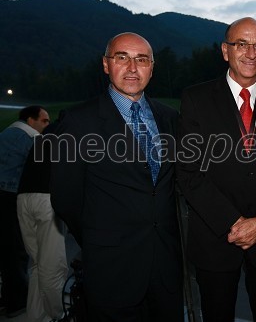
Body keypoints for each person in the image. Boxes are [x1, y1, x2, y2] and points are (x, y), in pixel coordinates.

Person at [50, 32, 183, 321]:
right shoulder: (78, 121)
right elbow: (65, 198)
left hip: (165, 268)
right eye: (122, 58)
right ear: (106, 64)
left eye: (141, 60)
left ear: (152, 67)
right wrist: (102, 241)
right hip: (112, 268)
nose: (133, 68)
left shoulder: (169, 118)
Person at [176, 17, 256, 322]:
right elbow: (189, 173)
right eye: (241, 44)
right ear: (225, 51)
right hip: (215, 237)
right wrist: (235, 222)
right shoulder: (196, 98)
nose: (251, 53)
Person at [17, 113, 68, 322]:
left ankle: (36, 316)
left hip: (23, 198)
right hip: (46, 200)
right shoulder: (68, 135)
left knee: (38, 263)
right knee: (53, 266)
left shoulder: (45, 135)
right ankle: (59, 315)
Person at [0, 105, 50, 318]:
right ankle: (17, 301)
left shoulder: (6, 133)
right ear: (31, 120)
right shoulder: (33, 140)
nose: (47, 125)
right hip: (12, 197)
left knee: (4, 249)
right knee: (17, 250)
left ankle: (7, 297)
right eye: (44, 120)